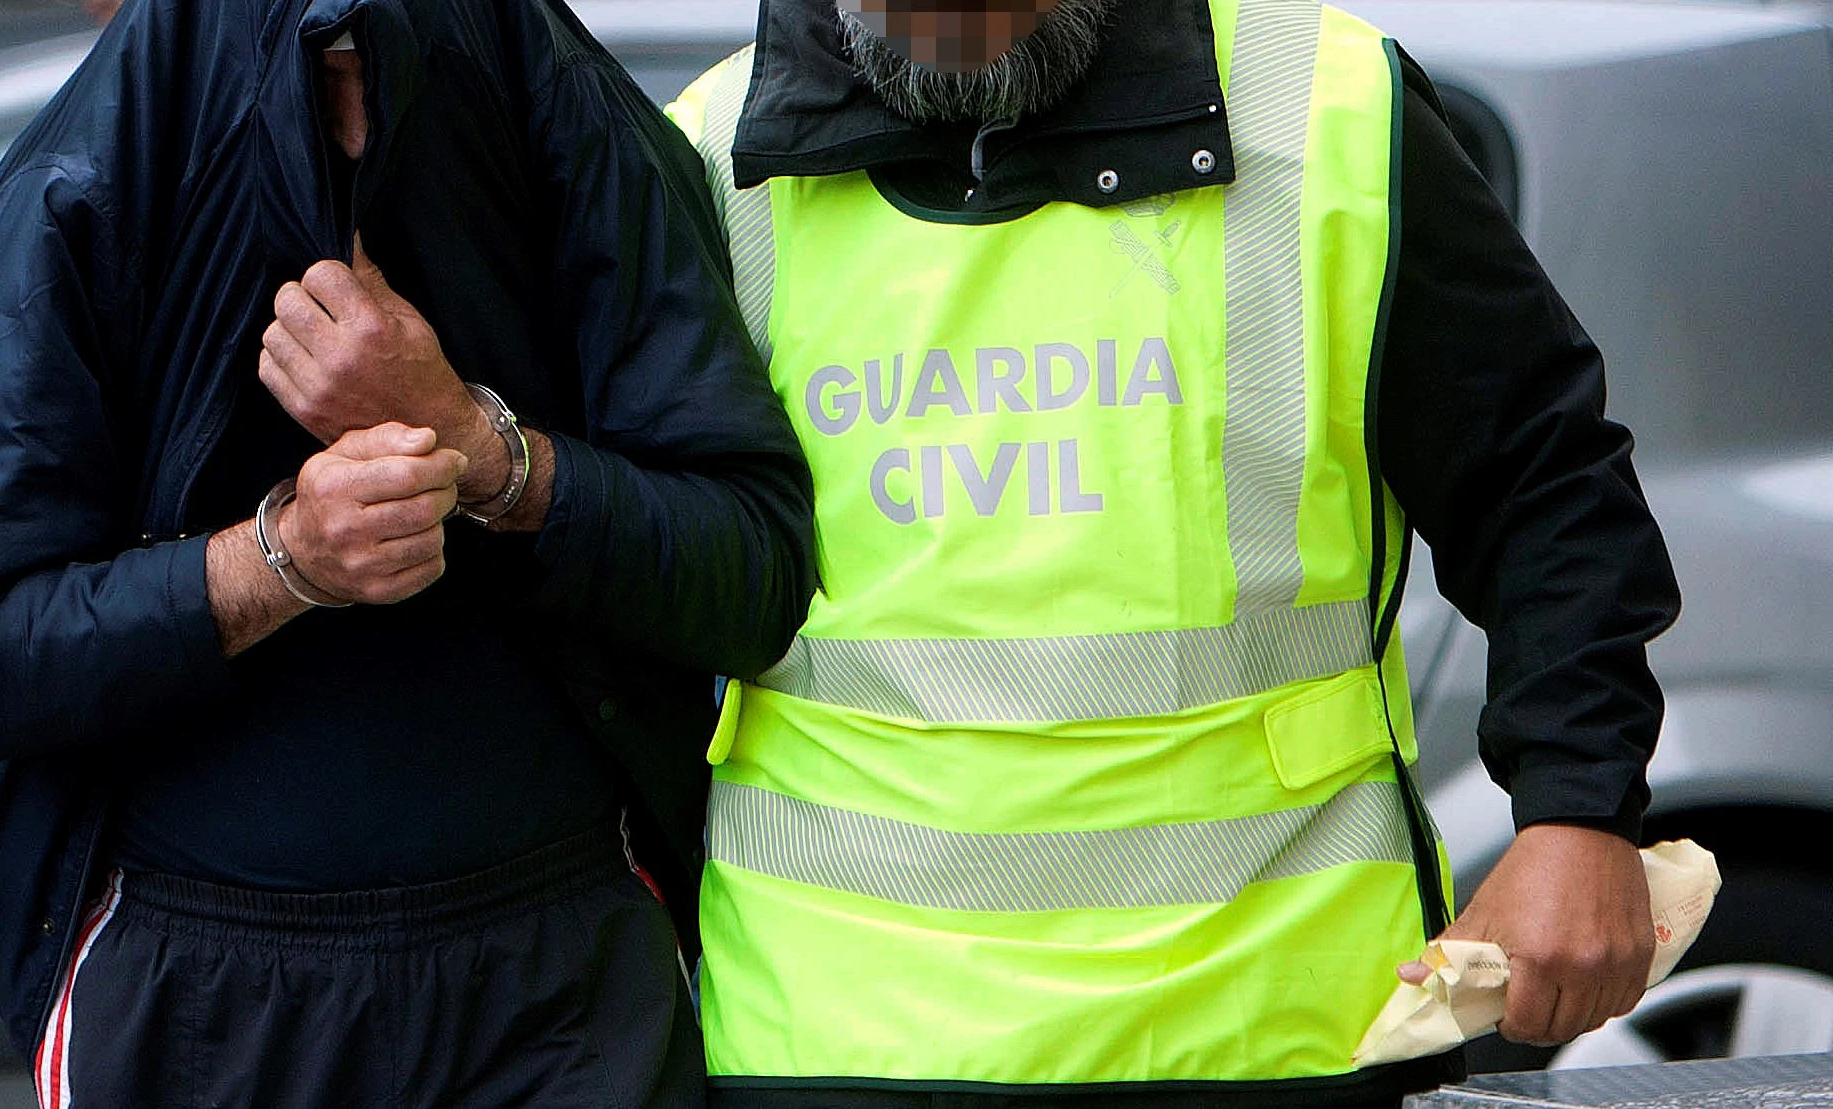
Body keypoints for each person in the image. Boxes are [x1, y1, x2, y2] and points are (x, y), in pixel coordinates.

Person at [664, 0, 1681, 1105]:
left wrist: (1577, 809)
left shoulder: (1331, 111)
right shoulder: (709, 156)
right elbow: (628, 582)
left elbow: (1541, 482)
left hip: (1278, 1029)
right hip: (834, 1040)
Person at [0, 0, 815, 1105]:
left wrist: (484, 452)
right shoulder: (79, 197)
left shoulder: (578, 142)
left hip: (562, 980)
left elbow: (753, 576)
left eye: (382, 69)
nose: (353, 128)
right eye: (317, 77)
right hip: (208, 996)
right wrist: (279, 559)